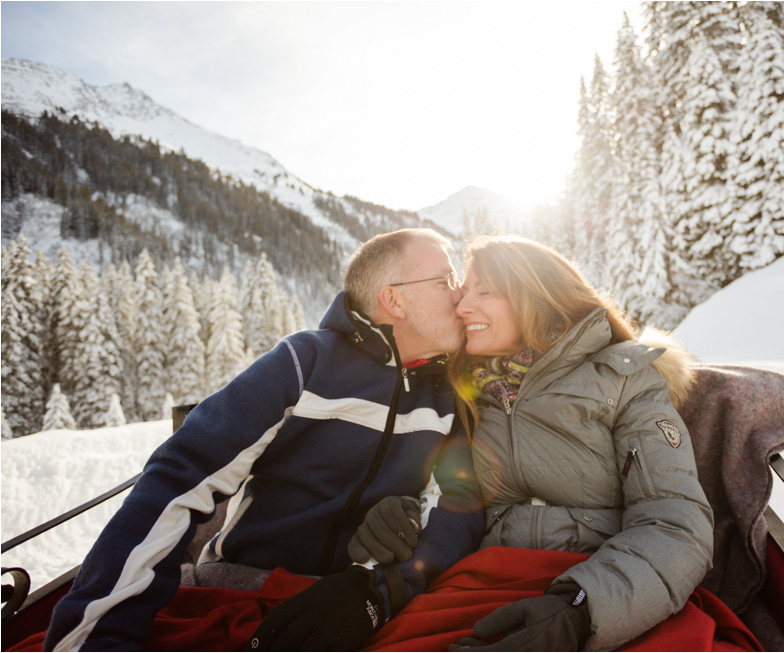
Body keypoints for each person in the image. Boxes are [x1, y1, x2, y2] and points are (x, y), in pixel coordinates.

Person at [43, 228, 485, 652]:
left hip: (349, 599)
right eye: (447, 280)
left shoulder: (451, 392)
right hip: (243, 580)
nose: (460, 294)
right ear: (394, 299)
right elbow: (182, 475)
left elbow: (457, 503)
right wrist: (99, 633)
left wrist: (378, 589)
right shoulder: (305, 363)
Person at [351, 235, 714, 651]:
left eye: (483, 291)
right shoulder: (463, 391)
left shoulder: (624, 380)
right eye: (463, 291)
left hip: (607, 589)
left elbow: (674, 520)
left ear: (536, 295)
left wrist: (580, 609)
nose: (462, 305)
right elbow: (449, 493)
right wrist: (401, 512)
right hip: (481, 587)